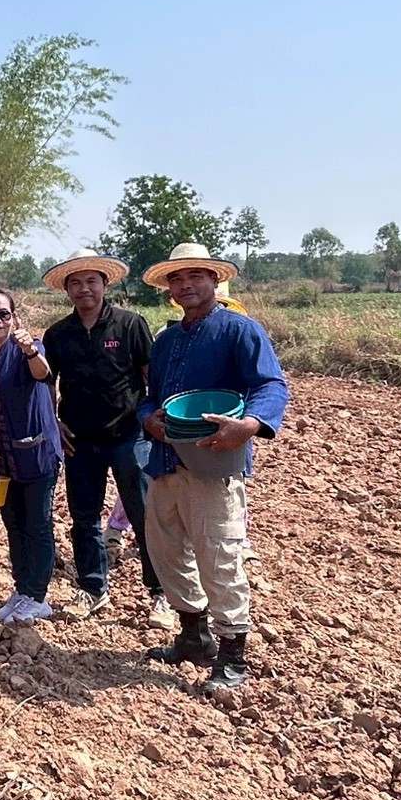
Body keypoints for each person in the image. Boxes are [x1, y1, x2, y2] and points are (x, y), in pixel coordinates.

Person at [137, 243, 289, 696]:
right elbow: (152, 394)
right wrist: (148, 418)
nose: (186, 286)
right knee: (166, 551)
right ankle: (193, 635)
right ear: (169, 288)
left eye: (195, 277)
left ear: (213, 281)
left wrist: (248, 425)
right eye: (177, 279)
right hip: (165, 460)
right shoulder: (165, 341)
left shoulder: (238, 330)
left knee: (218, 555)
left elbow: (270, 384)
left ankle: (233, 653)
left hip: (214, 461)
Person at [40, 249, 174, 631]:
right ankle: (93, 587)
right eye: (76, 283)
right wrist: (53, 422)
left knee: (143, 515)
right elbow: (48, 382)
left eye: (91, 281)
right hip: (79, 439)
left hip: (129, 436)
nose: (84, 289)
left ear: (105, 284)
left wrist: (154, 420)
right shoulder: (58, 334)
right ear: (67, 289)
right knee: (84, 517)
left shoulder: (130, 325)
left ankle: (161, 592)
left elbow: (151, 377)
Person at [0, 289, 62, 626]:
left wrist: (30, 351)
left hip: (37, 454)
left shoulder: (28, 347)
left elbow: (42, 372)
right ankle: (23, 588)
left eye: (4, 314)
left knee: (38, 525)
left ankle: (38, 596)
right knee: (14, 524)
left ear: (15, 317)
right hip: (4, 457)